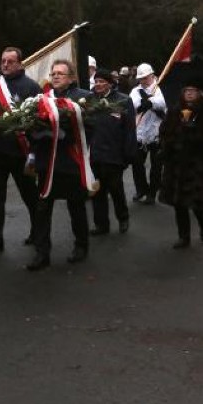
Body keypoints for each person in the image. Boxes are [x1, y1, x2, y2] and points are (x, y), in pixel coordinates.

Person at [26, 59, 94, 271]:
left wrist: (66, 134)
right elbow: (30, 126)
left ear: (72, 77)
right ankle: (42, 252)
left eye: (61, 74)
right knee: (43, 208)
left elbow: (90, 127)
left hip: (71, 161)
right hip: (48, 162)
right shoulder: (42, 99)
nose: (55, 76)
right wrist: (40, 135)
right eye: (53, 73)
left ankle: (81, 246)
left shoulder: (83, 98)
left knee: (76, 206)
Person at [0, 47, 41, 255]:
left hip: (21, 153)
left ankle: (39, 233)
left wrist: (34, 151)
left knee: (30, 196)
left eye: (10, 61)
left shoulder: (31, 86)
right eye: (3, 61)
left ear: (20, 63)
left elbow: (39, 120)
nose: (5, 65)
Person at [158, 79, 203, 248]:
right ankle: (184, 236)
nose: (189, 93)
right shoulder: (175, 110)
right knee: (179, 203)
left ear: (200, 93)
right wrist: (173, 139)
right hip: (177, 164)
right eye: (186, 90)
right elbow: (164, 131)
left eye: (193, 90)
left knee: (197, 202)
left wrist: (194, 132)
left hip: (197, 164)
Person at [89, 69, 136, 235]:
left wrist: (128, 154)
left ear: (110, 83)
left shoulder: (123, 100)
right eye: (96, 81)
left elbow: (130, 130)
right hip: (94, 155)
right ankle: (101, 224)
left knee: (116, 189)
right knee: (96, 191)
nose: (98, 84)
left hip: (114, 155)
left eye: (102, 81)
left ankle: (123, 218)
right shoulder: (89, 100)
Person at [129, 63, 167, 204]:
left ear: (152, 75)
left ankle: (152, 192)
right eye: (141, 78)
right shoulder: (136, 90)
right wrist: (144, 102)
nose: (143, 81)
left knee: (156, 166)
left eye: (145, 77)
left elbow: (164, 102)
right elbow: (133, 103)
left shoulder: (160, 88)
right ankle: (141, 189)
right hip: (140, 132)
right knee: (137, 163)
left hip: (157, 133)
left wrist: (151, 102)